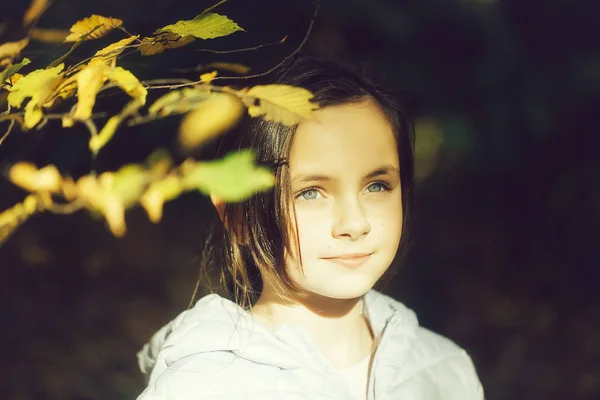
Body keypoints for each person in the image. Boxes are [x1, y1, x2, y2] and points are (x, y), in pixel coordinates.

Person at [136, 55, 484, 400]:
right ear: (237, 217)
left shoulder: (445, 371)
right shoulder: (200, 388)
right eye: (311, 193)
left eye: (376, 185)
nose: (355, 223)